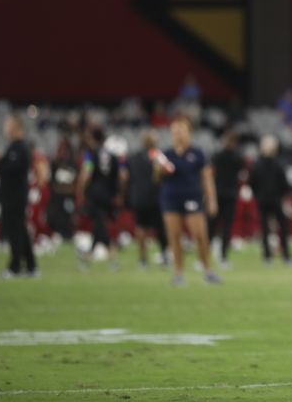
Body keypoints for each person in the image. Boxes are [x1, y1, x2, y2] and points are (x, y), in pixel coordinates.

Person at [155, 116, 221, 286]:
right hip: (170, 198)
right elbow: (156, 178)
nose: (177, 134)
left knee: (199, 235)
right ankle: (178, 273)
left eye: (180, 130)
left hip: (192, 197)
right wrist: (160, 171)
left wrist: (212, 200)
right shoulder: (166, 154)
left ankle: (207, 270)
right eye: (174, 131)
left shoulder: (197, 153)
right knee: (174, 236)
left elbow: (207, 178)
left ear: (189, 133)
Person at [0, 113, 42, 278]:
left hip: (15, 196)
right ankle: (31, 266)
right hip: (13, 195)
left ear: (16, 127)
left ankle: (15, 267)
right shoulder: (14, 147)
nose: (5, 128)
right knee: (21, 230)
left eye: (8, 125)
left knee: (15, 231)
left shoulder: (19, 147)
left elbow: (8, 170)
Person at [76, 127, 122, 269]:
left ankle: (111, 256)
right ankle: (89, 257)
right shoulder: (112, 155)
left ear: (92, 139)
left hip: (94, 193)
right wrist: (118, 193)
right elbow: (120, 176)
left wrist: (80, 190)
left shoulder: (90, 154)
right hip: (108, 194)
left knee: (99, 224)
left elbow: (86, 173)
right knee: (99, 223)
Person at [124, 130, 167, 268]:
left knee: (140, 227)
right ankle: (164, 255)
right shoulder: (158, 156)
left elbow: (125, 176)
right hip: (155, 197)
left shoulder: (134, 157)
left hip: (138, 197)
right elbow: (163, 175)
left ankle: (143, 259)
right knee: (160, 228)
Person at [249, 133, 292, 264]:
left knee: (272, 228)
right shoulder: (275, 164)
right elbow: (284, 184)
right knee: (272, 228)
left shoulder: (261, 164)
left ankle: (274, 256)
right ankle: (277, 256)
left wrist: (258, 195)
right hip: (271, 199)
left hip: (269, 199)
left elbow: (252, 183)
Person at [209, 130, 244, 268]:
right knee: (225, 227)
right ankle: (222, 257)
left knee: (213, 226)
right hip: (228, 195)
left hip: (219, 194)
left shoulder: (216, 156)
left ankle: (207, 256)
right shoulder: (237, 158)